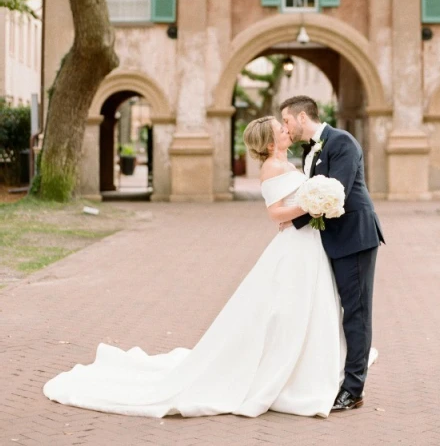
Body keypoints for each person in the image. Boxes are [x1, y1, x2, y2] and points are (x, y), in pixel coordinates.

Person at [42, 116, 371, 418]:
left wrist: (313, 202)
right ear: (271, 143)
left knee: (313, 307)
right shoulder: (272, 167)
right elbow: (274, 213)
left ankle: (314, 369)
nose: (286, 129)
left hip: (310, 246)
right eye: (280, 128)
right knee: (286, 310)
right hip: (295, 248)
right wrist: (309, 205)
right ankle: (289, 375)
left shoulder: (288, 160)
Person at [279, 95, 385, 412]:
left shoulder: (342, 143)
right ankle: (335, 375)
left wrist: (290, 216)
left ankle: (353, 389)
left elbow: (333, 191)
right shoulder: (309, 151)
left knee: (356, 312)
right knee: (335, 311)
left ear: (301, 117)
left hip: (354, 237)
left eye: (286, 120)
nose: (285, 127)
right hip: (332, 240)